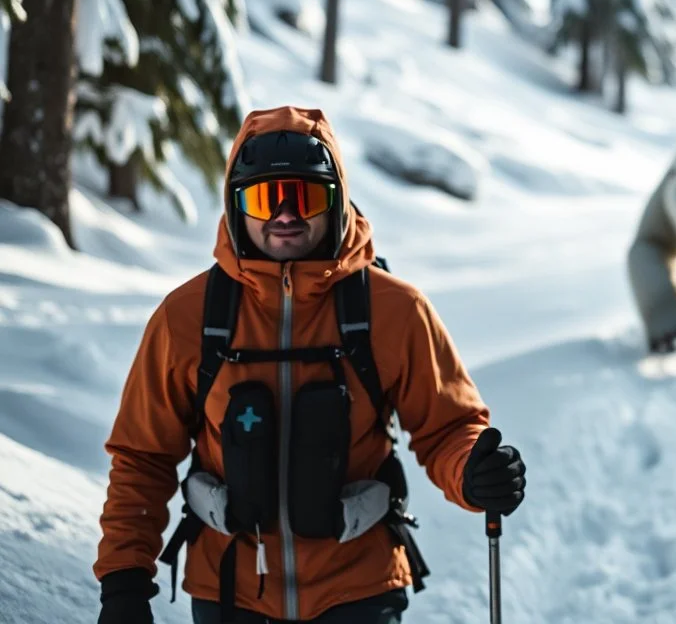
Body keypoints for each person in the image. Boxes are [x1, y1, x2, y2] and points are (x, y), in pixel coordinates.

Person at [94, 107, 526, 624]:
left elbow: (448, 427)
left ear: (336, 201)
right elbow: (143, 457)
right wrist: (124, 580)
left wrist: (474, 472)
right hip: (229, 590)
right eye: (263, 197)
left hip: (358, 590)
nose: (284, 214)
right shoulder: (188, 317)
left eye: (305, 196)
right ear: (237, 205)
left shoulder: (393, 310)